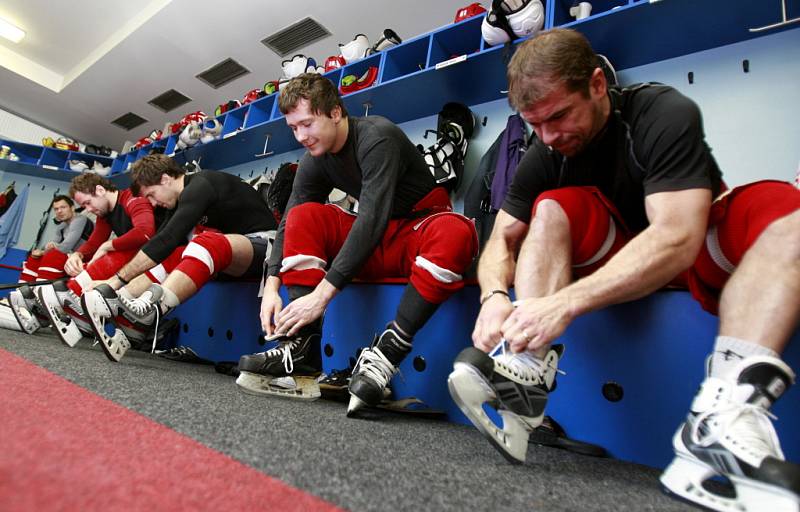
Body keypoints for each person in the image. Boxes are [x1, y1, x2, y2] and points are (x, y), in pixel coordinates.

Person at [446, 28, 800, 511]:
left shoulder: (660, 111)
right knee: (549, 208)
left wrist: (563, 303)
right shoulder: (545, 150)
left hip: (699, 250)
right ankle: (525, 375)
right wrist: (493, 297)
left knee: (785, 208)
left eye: (559, 116)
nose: (549, 136)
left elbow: (678, 236)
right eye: (535, 124)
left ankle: (723, 418)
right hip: (617, 262)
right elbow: (500, 240)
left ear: (596, 85)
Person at [237, 73, 477, 411]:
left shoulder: (376, 136)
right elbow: (290, 220)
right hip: (374, 243)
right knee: (303, 216)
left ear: (335, 113)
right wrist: (272, 284)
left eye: (307, 124)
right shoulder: (313, 160)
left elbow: (372, 217)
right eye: (294, 128)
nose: (301, 136)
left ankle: (387, 353)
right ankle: (302, 350)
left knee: (457, 231)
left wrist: (321, 296)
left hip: (415, 233)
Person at [81, 154, 277, 362]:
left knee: (205, 242)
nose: (153, 203)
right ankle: (123, 306)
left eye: (152, 195)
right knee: (176, 252)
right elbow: (157, 245)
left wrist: (114, 280)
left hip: (265, 249)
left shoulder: (202, 183)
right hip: (231, 259)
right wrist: (115, 287)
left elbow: (168, 237)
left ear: (165, 179)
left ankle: (149, 314)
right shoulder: (178, 202)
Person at [33, 174, 157, 347]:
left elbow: (145, 232)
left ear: (100, 190)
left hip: (157, 259)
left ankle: (70, 301)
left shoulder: (132, 198)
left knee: (115, 253)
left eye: (88, 203)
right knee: (84, 260)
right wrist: (78, 255)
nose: (88, 209)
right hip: (138, 260)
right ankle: (66, 302)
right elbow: (94, 242)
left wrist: (108, 245)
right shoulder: (105, 213)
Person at [8, 195, 92, 333]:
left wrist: (48, 249)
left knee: (52, 255)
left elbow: (64, 247)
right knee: (34, 257)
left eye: (63, 207)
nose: (59, 211)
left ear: (72, 208)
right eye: (56, 209)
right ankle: (23, 297)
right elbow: (52, 248)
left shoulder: (80, 219)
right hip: (69, 262)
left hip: (84, 262)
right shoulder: (61, 227)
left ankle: (41, 300)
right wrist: (42, 252)